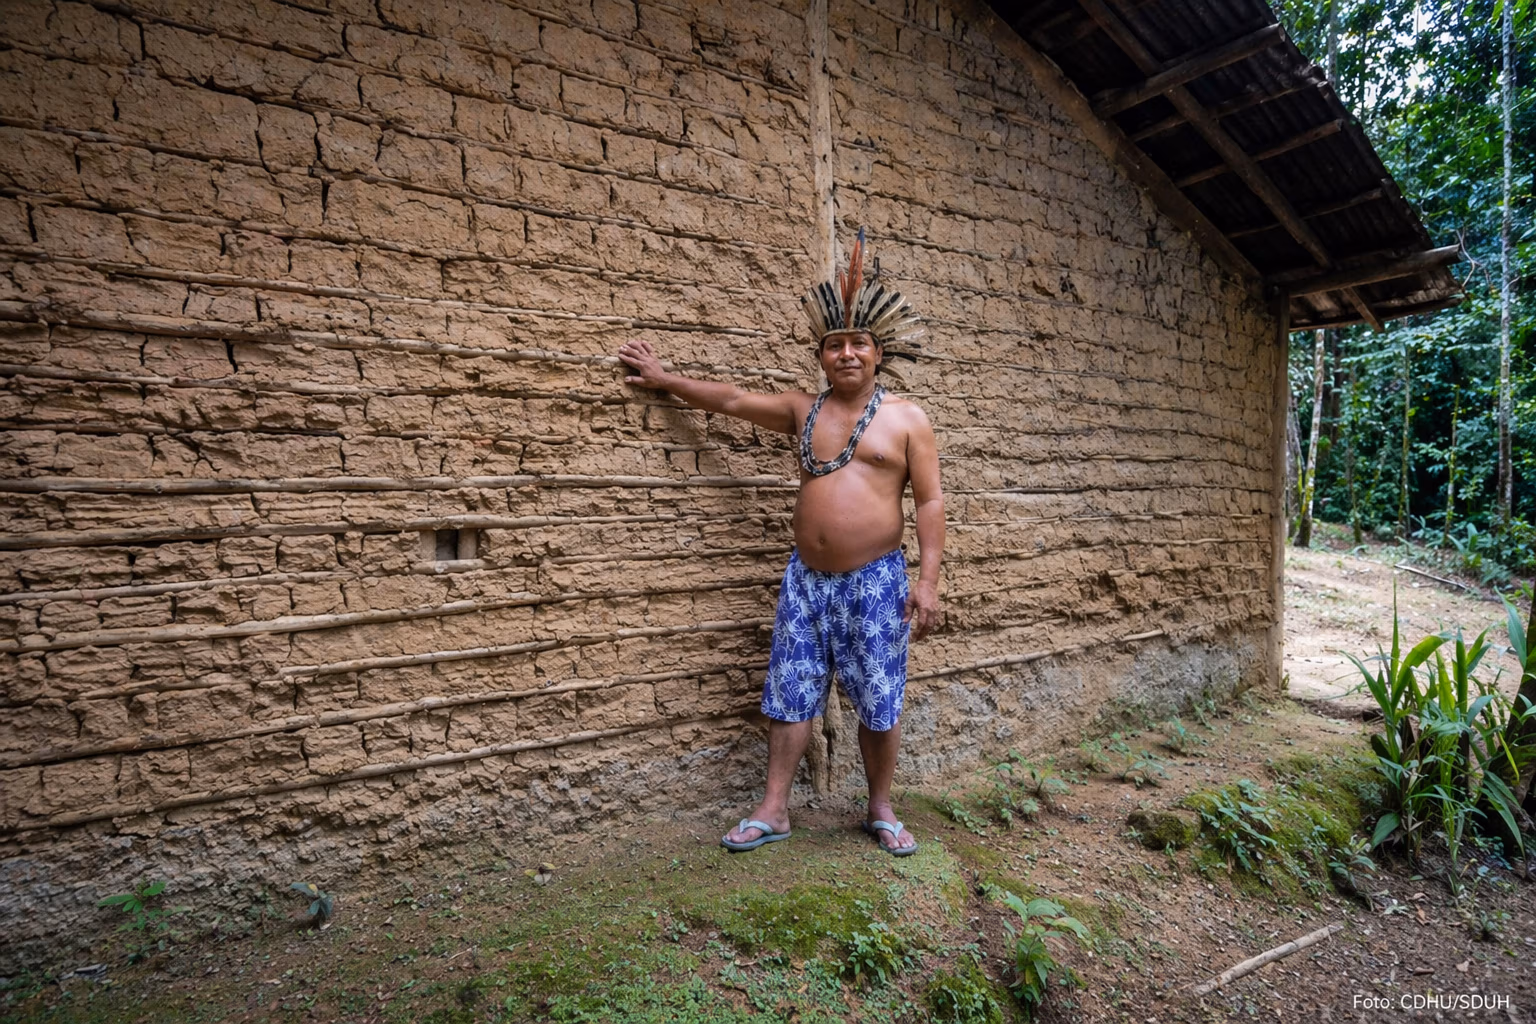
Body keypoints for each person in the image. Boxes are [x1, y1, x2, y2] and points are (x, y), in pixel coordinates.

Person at [617, 233, 944, 856]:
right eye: (834, 345)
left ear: (879, 353)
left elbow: (929, 502)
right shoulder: (803, 410)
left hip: (876, 582)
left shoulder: (907, 419)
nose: (847, 354)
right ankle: (774, 809)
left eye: (858, 343)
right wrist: (664, 379)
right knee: (790, 690)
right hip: (806, 579)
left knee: (879, 698)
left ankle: (880, 808)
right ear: (821, 356)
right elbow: (733, 400)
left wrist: (927, 583)